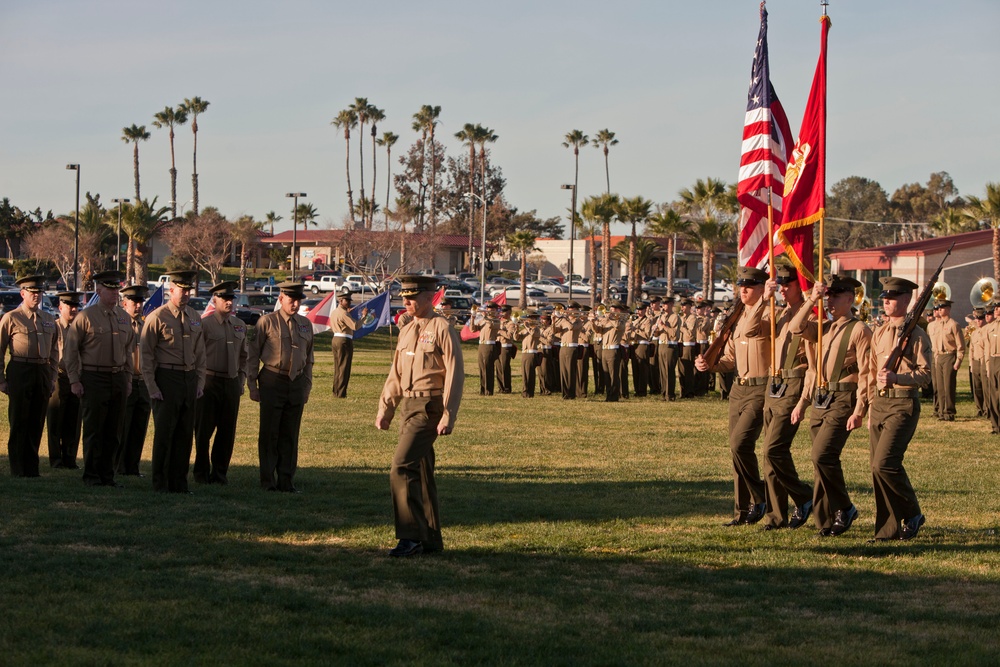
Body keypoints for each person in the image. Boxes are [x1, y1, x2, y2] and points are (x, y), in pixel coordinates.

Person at [376, 275, 464, 557]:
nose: (407, 302)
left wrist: (448, 414)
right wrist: (386, 409)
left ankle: (410, 536)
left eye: (412, 297)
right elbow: (396, 374)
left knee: (401, 467)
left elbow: (454, 372)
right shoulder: (407, 329)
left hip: (429, 406)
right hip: (408, 407)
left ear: (430, 297)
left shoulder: (442, 328)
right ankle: (429, 540)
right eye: (404, 297)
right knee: (422, 472)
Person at [790, 275, 872, 537]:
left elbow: (867, 372)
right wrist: (811, 299)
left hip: (843, 399)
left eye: (835, 296)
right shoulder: (824, 328)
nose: (830, 301)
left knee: (822, 455)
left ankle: (845, 508)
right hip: (821, 399)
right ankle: (826, 519)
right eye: (828, 296)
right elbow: (795, 327)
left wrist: (860, 409)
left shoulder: (859, 330)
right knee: (821, 463)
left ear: (850, 299)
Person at [695, 267, 769, 525]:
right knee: (736, 451)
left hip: (761, 388)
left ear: (762, 288)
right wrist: (710, 365)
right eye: (741, 285)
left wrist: (765, 302)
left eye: (750, 286)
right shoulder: (736, 319)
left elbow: (756, 329)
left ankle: (760, 497)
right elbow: (729, 358)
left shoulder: (770, 315)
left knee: (741, 443)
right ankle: (743, 510)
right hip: (739, 388)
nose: (744, 290)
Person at [866, 276, 932, 540]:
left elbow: (926, 376)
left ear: (906, 300)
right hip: (880, 403)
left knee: (885, 464)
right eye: (885, 297)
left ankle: (912, 513)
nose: (887, 302)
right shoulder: (880, 332)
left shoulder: (916, 335)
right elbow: (872, 371)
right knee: (876, 468)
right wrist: (870, 405)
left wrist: (899, 378)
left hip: (903, 403)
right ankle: (888, 529)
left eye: (893, 297)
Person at [64, 271, 135, 487]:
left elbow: (129, 350)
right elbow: (71, 351)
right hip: (93, 377)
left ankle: (108, 475)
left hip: (118, 377)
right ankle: (92, 475)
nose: (114, 293)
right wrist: (75, 380)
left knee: (114, 431)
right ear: (99, 290)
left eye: (116, 289)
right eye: (110, 289)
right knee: (95, 429)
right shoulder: (86, 317)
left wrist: (129, 378)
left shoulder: (123, 317)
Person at [140, 270, 206, 493]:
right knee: (165, 434)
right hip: (166, 379)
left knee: (185, 434)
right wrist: (152, 386)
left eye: (188, 290)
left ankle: (179, 482)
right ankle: (160, 482)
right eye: (182, 290)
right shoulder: (157, 317)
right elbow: (146, 355)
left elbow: (201, 354)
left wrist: (199, 382)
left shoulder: (195, 317)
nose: (186, 294)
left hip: (189, 378)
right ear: (171, 291)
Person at [759, 267, 814, 530]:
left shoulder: (810, 315)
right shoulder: (778, 313)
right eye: (779, 285)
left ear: (799, 284)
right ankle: (775, 516)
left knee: (774, 449)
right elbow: (750, 330)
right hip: (774, 382)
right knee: (768, 457)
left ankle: (804, 496)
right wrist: (762, 298)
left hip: (793, 383)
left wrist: (804, 399)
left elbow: (813, 362)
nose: (781, 289)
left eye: (787, 284)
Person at [248, 281, 314, 492]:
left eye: (298, 300)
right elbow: (253, 355)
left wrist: (306, 387)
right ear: (281, 299)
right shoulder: (266, 322)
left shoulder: (305, 324)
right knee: (269, 433)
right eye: (291, 299)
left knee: (290, 433)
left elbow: (309, 358)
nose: (295, 304)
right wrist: (252, 385)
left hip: (296, 382)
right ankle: (268, 481)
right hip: (272, 380)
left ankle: (286, 480)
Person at [0, 275, 59, 477]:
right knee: (19, 420)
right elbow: (0, 350)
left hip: (42, 371)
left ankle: (32, 468)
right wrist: (1, 379)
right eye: (32, 293)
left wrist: (52, 378)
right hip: (20, 369)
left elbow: (54, 351)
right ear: (22, 293)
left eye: (39, 292)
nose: (36, 296)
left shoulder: (49, 319)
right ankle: (18, 468)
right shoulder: (11, 318)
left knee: (36, 420)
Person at [193, 281, 248, 485]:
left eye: (231, 298)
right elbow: (196, 354)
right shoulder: (204, 324)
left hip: (231, 382)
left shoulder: (239, 325)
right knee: (203, 431)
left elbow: (244, 357)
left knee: (227, 432)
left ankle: (219, 474)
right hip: (209, 381)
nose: (228, 302)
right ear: (215, 299)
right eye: (224, 298)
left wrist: (241, 379)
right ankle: (200, 473)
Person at [46, 291, 83, 469]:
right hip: (59, 377)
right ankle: (55, 458)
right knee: (56, 419)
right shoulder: (54, 327)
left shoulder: (81, 328)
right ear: (61, 307)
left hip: (76, 378)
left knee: (74, 420)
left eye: (76, 306)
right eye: (70, 306)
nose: (73, 309)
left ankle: (70, 457)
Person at [117, 284, 151, 476]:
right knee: (123, 426)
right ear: (124, 303)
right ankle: (119, 466)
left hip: (143, 382)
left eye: (140, 302)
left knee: (139, 427)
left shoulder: (146, 326)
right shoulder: (119, 324)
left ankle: (133, 466)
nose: (138, 306)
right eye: (134, 302)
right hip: (125, 380)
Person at [926, 298, 965, 421]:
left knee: (948, 385)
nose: (939, 310)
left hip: (949, 356)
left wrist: (958, 360)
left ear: (948, 309)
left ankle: (949, 412)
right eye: (938, 308)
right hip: (939, 356)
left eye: (942, 308)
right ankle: (942, 411)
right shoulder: (936, 325)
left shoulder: (954, 324)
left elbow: (960, 345)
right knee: (940, 386)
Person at [330, 291, 366, 398]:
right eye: (347, 301)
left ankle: (336, 391)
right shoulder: (344, 313)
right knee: (344, 368)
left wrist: (348, 313)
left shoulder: (335, 312)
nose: (349, 303)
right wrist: (364, 317)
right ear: (340, 301)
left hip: (335, 338)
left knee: (338, 367)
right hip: (344, 340)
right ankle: (341, 393)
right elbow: (355, 326)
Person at [593, 300, 628, 402]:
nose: (611, 311)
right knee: (606, 374)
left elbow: (617, 326)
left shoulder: (621, 320)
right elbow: (597, 330)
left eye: (614, 309)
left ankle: (614, 396)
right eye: (611, 309)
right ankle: (608, 395)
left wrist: (610, 317)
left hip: (613, 351)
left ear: (619, 310)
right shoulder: (607, 321)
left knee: (613, 375)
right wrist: (592, 322)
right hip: (604, 350)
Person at [553, 301, 585, 399]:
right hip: (563, 347)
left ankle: (571, 394)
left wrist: (564, 318)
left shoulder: (579, 321)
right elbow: (554, 331)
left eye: (571, 310)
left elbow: (571, 327)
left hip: (572, 347)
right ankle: (565, 393)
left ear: (576, 310)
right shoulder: (563, 320)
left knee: (570, 371)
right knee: (563, 371)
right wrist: (553, 321)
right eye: (568, 309)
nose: (568, 311)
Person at [653, 295, 681, 401]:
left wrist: (664, 326)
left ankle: (670, 395)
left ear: (671, 305)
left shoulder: (675, 317)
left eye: (665, 304)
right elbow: (657, 334)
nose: (663, 307)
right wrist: (655, 330)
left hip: (670, 345)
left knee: (669, 371)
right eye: (662, 304)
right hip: (661, 344)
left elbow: (674, 334)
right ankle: (664, 393)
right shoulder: (661, 316)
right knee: (662, 371)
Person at [469, 302, 500, 395]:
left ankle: (489, 390)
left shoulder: (497, 320)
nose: (489, 310)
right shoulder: (483, 320)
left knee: (488, 368)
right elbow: (473, 329)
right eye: (488, 308)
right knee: (482, 368)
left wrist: (485, 317)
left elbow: (491, 325)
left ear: (495, 310)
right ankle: (483, 389)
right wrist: (473, 317)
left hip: (490, 345)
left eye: (491, 308)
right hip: (481, 345)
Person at [515, 312, 541, 398]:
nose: (528, 320)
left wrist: (527, 326)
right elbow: (516, 338)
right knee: (524, 374)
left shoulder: (537, 329)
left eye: (531, 318)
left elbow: (533, 334)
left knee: (530, 374)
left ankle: (530, 392)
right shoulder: (525, 330)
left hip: (531, 353)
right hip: (524, 353)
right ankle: (525, 391)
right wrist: (517, 328)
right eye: (528, 318)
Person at [969, 308, 987, 418]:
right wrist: (971, 364)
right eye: (977, 319)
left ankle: (987, 409)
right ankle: (979, 408)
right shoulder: (974, 333)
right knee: (977, 387)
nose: (979, 321)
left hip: (984, 361)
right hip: (975, 361)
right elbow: (971, 349)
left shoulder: (987, 331)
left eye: (981, 319)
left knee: (986, 387)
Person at [678, 298, 698, 398]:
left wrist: (681, 327)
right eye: (681, 306)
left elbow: (690, 333)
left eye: (684, 306)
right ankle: (682, 391)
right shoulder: (681, 318)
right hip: (681, 345)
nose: (682, 308)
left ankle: (689, 391)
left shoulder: (692, 318)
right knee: (681, 370)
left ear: (690, 307)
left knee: (688, 370)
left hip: (688, 345)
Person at [495, 305, 517, 394]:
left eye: (504, 311)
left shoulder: (511, 323)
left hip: (505, 346)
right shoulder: (498, 321)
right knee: (498, 368)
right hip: (497, 346)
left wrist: (500, 331)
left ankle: (507, 388)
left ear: (509, 312)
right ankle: (500, 387)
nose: (502, 313)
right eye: (502, 311)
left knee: (505, 367)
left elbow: (509, 336)